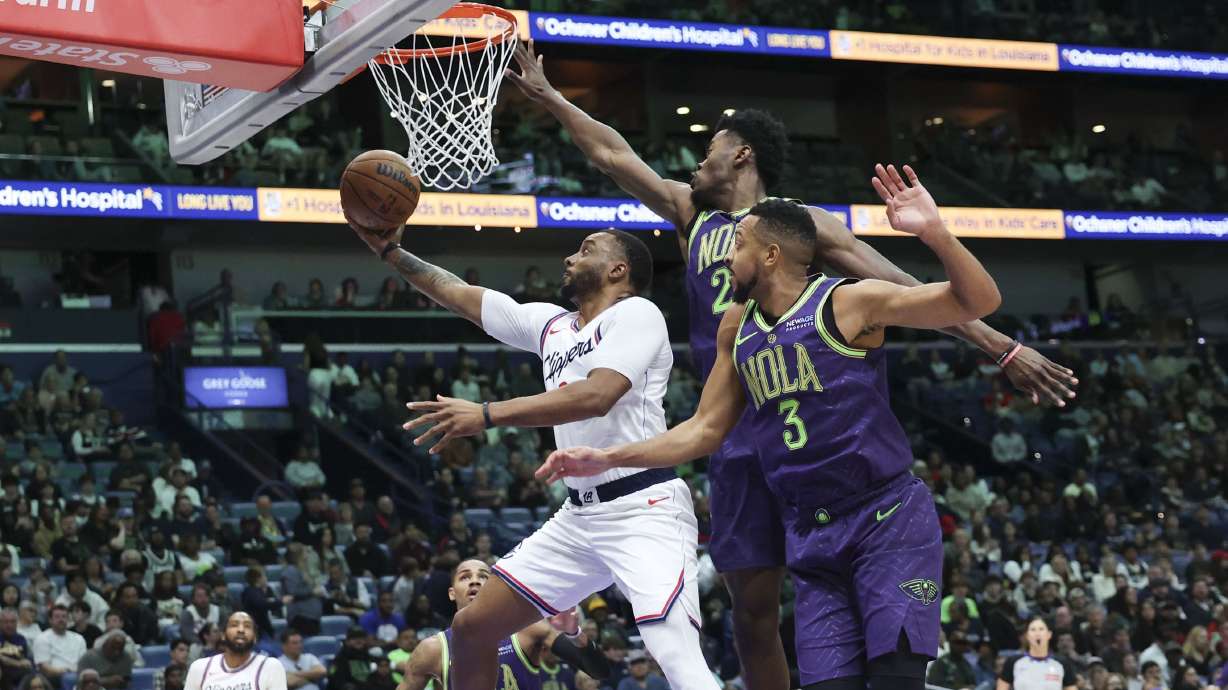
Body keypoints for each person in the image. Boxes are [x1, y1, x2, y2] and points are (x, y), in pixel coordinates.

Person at [506, 39, 1077, 690]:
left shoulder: (800, 226)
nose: (697, 158)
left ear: (741, 154)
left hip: (813, 411)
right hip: (737, 418)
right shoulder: (693, 216)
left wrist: (1000, 345)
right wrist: (551, 98)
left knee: (852, 592)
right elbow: (612, 154)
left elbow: (900, 282)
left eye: (710, 146)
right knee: (752, 612)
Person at [536, 172, 1003, 690]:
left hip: (883, 517)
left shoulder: (849, 303)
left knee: (894, 680)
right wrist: (608, 458)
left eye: (737, 246)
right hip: (810, 531)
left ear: (772, 255)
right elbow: (703, 430)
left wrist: (935, 232)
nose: (723, 258)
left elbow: (976, 301)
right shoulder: (737, 326)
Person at [352, 189, 707, 689]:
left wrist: (487, 413)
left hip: (642, 506)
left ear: (619, 270)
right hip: (580, 516)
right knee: (472, 627)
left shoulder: (637, 314)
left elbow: (598, 394)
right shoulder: (551, 326)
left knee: (675, 654)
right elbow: (460, 295)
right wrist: (391, 252)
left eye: (586, 248)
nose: (570, 256)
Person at [399, 559, 609, 690]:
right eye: (465, 577)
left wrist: (574, 633)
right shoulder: (433, 649)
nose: (474, 581)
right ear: (452, 593)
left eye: (483, 576)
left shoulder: (527, 629)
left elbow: (600, 672)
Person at [185, 612, 287, 690]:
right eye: (234, 625)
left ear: (255, 637)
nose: (241, 630)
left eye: (247, 626)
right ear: (223, 635)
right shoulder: (199, 668)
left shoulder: (271, 666)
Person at [997, 618, 1077, 690]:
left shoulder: (1062, 663)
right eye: (1033, 630)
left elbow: (1071, 687)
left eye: (1041, 629)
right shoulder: (1013, 662)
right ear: (1027, 636)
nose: (1037, 633)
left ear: (1049, 634)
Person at [30, 604, 86, 688]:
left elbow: (84, 663)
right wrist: (66, 671)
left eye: (64, 617)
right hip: (53, 676)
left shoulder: (79, 638)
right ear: (50, 620)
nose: (61, 619)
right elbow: (44, 668)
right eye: (57, 617)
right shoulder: (42, 638)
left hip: (78, 673)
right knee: (70, 678)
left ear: (68, 619)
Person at [0, 607, 35, 690]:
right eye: (6, 622)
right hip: (3, 674)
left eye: (12, 621)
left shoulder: (21, 639)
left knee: (34, 675)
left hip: (19, 674)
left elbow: (27, 662)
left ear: (17, 623)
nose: (9, 625)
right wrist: (17, 663)